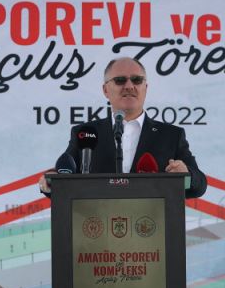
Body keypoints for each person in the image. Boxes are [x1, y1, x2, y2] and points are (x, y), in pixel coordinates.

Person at [38, 57, 207, 198]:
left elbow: (200, 185)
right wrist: (51, 181)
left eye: (137, 80)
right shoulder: (85, 133)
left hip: (153, 225)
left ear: (145, 88)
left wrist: (187, 174)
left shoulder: (171, 135)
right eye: (120, 80)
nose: (129, 86)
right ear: (105, 90)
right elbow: (63, 179)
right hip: (95, 225)